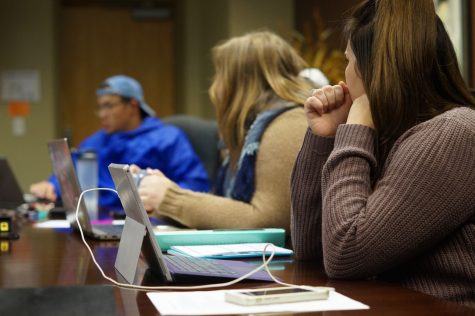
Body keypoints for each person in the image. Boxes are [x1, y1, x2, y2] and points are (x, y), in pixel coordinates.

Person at [290, 0, 475, 307]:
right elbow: (310, 250)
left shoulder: (453, 134)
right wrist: (324, 137)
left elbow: (345, 253)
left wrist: (356, 127)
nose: (344, 74)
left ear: (371, 71)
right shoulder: (388, 134)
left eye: (349, 61)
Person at [135, 31, 314, 230]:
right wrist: (160, 198)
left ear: (241, 82)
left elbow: (269, 222)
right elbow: (231, 211)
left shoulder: (289, 125)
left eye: (219, 75)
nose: (214, 88)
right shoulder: (249, 129)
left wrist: (171, 198)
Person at [30, 75, 209, 212]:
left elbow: (196, 186)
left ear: (133, 105)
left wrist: (157, 195)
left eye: (108, 106)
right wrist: (51, 186)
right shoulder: (95, 142)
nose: (102, 114)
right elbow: (70, 177)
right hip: (101, 222)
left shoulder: (169, 139)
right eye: (99, 107)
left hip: (150, 224)